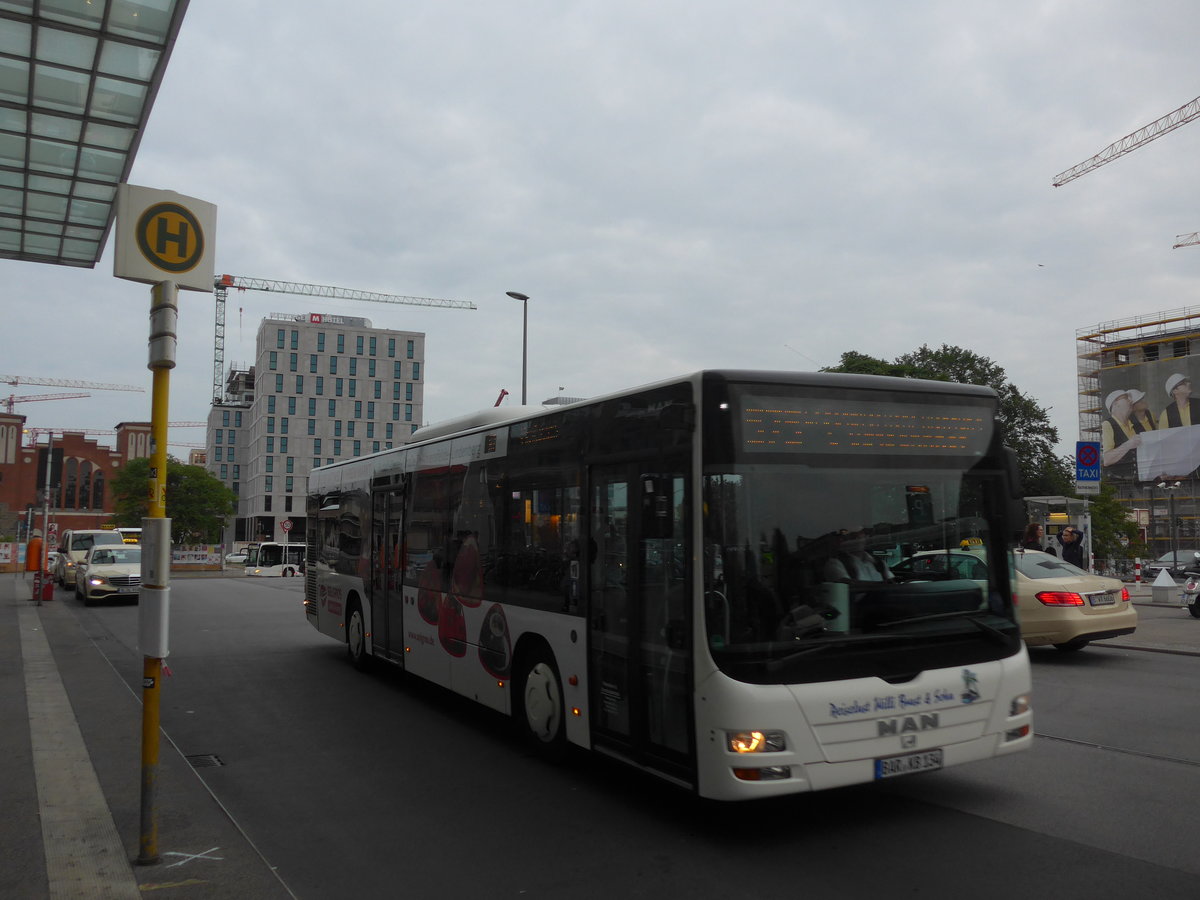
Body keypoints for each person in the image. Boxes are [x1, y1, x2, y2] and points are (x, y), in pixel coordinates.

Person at [823, 528, 893, 582]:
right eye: (851, 533)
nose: (857, 536)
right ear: (842, 539)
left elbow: (893, 584)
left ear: (866, 537)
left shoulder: (879, 563)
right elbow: (847, 585)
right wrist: (881, 586)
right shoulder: (835, 563)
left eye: (860, 532)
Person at [1100, 389, 1141, 478]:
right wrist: (1128, 444)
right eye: (1126, 398)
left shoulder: (1134, 424)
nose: (1130, 400)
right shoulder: (1108, 425)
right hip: (1119, 484)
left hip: (1138, 480)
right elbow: (1107, 459)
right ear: (1115, 404)